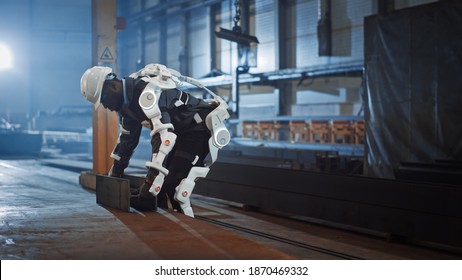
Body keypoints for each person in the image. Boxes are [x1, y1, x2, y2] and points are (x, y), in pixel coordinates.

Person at [80, 64, 230, 217]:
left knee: (174, 185)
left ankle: (188, 227)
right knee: (163, 187)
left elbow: (164, 139)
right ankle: (171, 226)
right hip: (180, 133)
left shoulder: (146, 93)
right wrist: (115, 176)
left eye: (104, 100)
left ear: (112, 86)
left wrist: (151, 182)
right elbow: (127, 142)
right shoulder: (126, 107)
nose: (106, 107)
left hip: (198, 128)